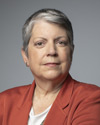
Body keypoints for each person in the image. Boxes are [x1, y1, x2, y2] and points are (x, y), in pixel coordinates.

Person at [0, 8, 100, 125]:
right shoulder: (4, 101)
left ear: (71, 52)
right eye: (40, 43)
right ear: (25, 56)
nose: (52, 51)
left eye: (61, 42)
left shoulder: (91, 98)